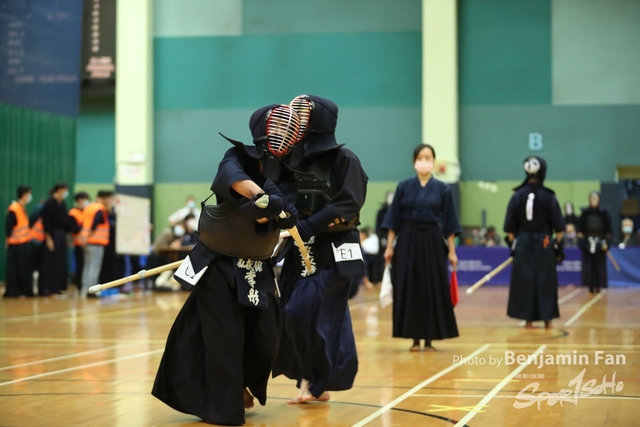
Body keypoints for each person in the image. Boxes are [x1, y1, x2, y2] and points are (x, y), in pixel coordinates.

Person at [152, 104, 300, 425]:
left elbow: (283, 212)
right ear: (261, 129)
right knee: (224, 338)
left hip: (257, 265)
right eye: (276, 126)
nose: (282, 133)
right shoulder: (237, 157)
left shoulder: (288, 171)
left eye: (288, 128)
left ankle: (239, 384)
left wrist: (272, 206)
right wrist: (264, 198)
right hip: (218, 262)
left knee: (267, 340)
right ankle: (224, 408)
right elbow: (235, 182)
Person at [272, 94, 367, 404]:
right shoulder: (292, 159)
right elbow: (283, 197)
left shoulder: (345, 159)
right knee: (292, 315)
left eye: (305, 114)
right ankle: (310, 381)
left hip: (335, 249)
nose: (298, 119)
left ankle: (321, 379)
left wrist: (311, 225)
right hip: (298, 248)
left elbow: (350, 201)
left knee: (304, 310)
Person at [382, 144, 461, 351]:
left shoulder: (443, 189)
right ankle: (415, 339)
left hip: (433, 241)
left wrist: (452, 252)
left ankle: (430, 339)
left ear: (433, 162)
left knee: (432, 287)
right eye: (420, 157)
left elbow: (450, 223)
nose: (424, 161)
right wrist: (389, 247)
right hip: (407, 240)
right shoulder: (404, 186)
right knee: (410, 287)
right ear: (414, 161)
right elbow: (393, 220)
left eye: (428, 158)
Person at [504, 156, 565, 329]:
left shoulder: (517, 196)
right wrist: (557, 249)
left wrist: (514, 247)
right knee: (546, 280)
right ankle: (547, 320)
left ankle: (528, 320)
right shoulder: (549, 197)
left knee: (525, 279)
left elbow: (509, 230)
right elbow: (560, 230)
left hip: (523, 242)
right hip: (545, 242)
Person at [39, 182, 71, 296]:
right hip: (53, 235)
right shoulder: (49, 203)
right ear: (59, 190)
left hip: (61, 235)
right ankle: (49, 289)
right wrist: (49, 239)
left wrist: (66, 238)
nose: (66, 192)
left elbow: (65, 222)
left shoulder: (62, 203)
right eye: (64, 190)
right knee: (52, 262)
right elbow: (46, 222)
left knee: (61, 262)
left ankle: (58, 288)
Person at [577, 191, 612, 294]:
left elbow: (609, 231)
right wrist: (583, 243)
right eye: (592, 198)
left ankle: (599, 285)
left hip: (600, 243)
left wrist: (606, 243)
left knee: (599, 266)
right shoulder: (584, 214)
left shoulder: (604, 214)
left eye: (595, 198)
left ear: (599, 200)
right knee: (589, 266)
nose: (593, 200)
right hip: (588, 243)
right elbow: (579, 231)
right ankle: (590, 285)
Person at [80, 190, 114, 297]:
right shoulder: (100, 208)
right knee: (94, 267)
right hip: (95, 242)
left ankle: (85, 289)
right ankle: (92, 290)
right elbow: (94, 225)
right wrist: (88, 237)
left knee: (87, 267)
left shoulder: (89, 207)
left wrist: (84, 238)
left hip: (87, 242)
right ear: (105, 198)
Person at [4, 185, 34, 298]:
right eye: (29, 194)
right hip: (15, 245)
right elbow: (8, 228)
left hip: (23, 243)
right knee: (15, 270)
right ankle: (14, 292)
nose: (30, 196)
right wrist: (8, 240)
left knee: (23, 269)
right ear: (24, 195)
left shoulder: (22, 208)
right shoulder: (14, 208)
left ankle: (23, 291)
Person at [68, 192, 89, 289]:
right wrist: (84, 229)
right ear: (79, 200)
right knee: (80, 265)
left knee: (87, 265)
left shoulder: (86, 211)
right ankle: (80, 285)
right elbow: (73, 228)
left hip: (87, 243)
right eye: (84, 199)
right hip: (78, 243)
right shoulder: (73, 213)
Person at [372, 192, 394, 283]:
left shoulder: (397, 211)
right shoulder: (382, 212)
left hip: (394, 238)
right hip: (383, 238)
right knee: (382, 258)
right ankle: (380, 278)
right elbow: (378, 227)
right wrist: (381, 238)